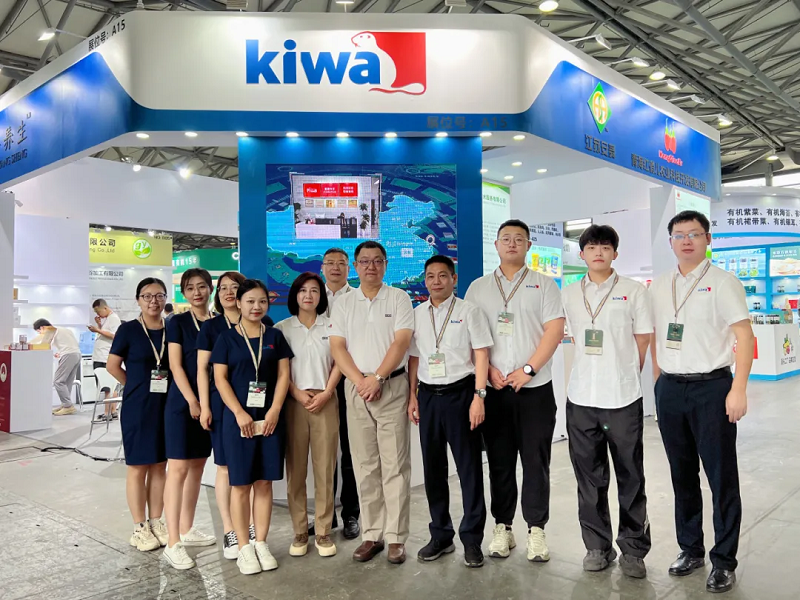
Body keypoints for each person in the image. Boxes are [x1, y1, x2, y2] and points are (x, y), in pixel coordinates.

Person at [650, 210, 754, 594]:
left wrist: (738, 389)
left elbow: (745, 336)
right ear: (670, 242)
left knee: (721, 476)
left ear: (707, 239)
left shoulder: (723, 282)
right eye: (679, 235)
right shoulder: (659, 285)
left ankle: (724, 560)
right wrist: (659, 381)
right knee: (681, 474)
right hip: (670, 389)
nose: (687, 240)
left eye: (694, 234)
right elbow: (656, 333)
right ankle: (690, 548)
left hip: (712, 389)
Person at [465, 219, 565, 562]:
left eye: (518, 239)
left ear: (528, 246)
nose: (512, 244)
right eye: (505, 238)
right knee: (500, 462)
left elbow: (554, 330)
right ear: (496, 245)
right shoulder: (478, 288)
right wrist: (489, 371)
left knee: (536, 462)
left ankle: (536, 529)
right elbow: (471, 337)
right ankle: (503, 527)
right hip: (495, 389)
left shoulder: (544, 285)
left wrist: (528, 369)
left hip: (535, 389)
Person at [560, 225, 653, 578]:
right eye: (591, 247)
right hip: (582, 397)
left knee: (631, 476)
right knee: (589, 478)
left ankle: (633, 549)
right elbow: (569, 335)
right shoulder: (569, 294)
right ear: (582, 253)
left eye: (605, 246)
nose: (598, 252)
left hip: (622, 397)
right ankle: (597, 547)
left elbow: (642, 339)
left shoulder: (632, 291)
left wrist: (624, 371)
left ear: (615, 253)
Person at [329, 241, 414, 565]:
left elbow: (401, 342)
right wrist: (361, 381)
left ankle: (396, 537)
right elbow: (338, 347)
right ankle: (372, 534)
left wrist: (377, 378)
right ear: (356, 266)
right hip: (357, 389)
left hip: (391, 387)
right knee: (365, 465)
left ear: (386, 264)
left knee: (395, 465)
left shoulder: (399, 297)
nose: (371, 267)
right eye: (364, 261)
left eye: (377, 261)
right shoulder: (344, 303)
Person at [407, 255, 493, 568]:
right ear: (425, 280)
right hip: (428, 397)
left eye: (443, 275)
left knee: (469, 470)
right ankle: (441, 534)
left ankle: (472, 540)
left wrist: (479, 397)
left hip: (461, 395)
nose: (436, 281)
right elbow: (414, 358)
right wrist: (412, 396)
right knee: (433, 470)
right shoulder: (417, 314)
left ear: (454, 279)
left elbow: (481, 354)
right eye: (430, 276)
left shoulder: (469, 311)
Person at [211, 279, 293, 575]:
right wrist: (238, 413)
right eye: (250, 301)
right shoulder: (226, 339)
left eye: (261, 301)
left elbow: (283, 376)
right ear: (238, 303)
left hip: (270, 420)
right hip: (239, 421)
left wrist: (274, 410)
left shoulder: (275, 336)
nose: (256, 307)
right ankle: (244, 547)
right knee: (241, 483)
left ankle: (261, 542)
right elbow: (220, 379)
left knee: (264, 482)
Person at [197, 271, 275, 560]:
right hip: (223, 405)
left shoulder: (266, 325)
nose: (229, 292)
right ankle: (231, 529)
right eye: (223, 288)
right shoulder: (213, 328)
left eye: (235, 287)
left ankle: (253, 529)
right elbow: (204, 370)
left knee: (254, 469)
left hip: (259, 405)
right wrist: (205, 406)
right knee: (227, 467)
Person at [276, 272, 341, 558]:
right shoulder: (282, 329)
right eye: (303, 290)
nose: (308, 295)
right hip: (294, 401)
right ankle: (300, 530)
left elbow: (340, 362)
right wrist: (297, 393)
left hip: (325, 399)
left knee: (325, 468)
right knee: (296, 470)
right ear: (295, 295)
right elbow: (280, 371)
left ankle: (324, 531)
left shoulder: (333, 325)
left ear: (321, 296)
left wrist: (327, 392)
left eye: (314, 290)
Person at [106, 278, 171, 552]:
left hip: (166, 405)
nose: (153, 301)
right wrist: (134, 385)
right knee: (138, 466)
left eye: (159, 296)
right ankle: (139, 527)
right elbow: (112, 366)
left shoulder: (172, 328)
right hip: (138, 407)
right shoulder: (128, 330)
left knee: (159, 466)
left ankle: (156, 521)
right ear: (138, 300)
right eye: (147, 296)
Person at [162, 268, 216, 570]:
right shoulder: (178, 322)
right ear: (183, 292)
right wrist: (192, 401)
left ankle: (187, 528)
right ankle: (173, 542)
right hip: (182, 404)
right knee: (179, 469)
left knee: (197, 467)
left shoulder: (217, 322)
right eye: (191, 287)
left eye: (202, 286)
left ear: (210, 289)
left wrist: (205, 403)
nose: (197, 292)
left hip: (210, 404)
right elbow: (175, 365)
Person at [321, 247, 360, 540]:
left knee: (350, 451)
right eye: (330, 263)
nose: (335, 267)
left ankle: (351, 514)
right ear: (322, 267)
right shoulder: (312, 297)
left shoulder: (358, 299)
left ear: (350, 268)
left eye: (341, 263)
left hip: (349, 382)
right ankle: (325, 516)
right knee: (324, 455)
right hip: (318, 384)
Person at [33, 319, 82, 416]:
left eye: (39, 331)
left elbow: (44, 344)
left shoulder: (50, 329)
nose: (41, 334)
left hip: (68, 355)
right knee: (67, 381)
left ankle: (68, 406)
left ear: (42, 327)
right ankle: (65, 404)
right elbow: (71, 343)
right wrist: (60, 353)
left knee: (58, 381)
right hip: (76, 354)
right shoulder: (64, 329)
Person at [90, 299, 122, 421]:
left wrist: (97, 330)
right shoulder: (108, 319)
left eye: (98, 311)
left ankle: (107, 412)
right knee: (109, 386)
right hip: (101, 355)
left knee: (107, 386)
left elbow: (114, 336)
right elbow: (105, 334)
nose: (98, 314)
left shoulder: (114, 319)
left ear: (105, 308)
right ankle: (112, 411)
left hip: (104, 356)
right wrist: (99, 325)